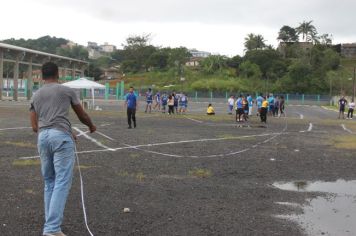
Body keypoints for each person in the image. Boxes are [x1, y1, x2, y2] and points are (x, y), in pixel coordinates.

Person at [29, 62, 96, 236]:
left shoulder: (36, 95)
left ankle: (51, 225)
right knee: (61, 181)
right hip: (60, 138)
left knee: (49, 181)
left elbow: (34, 125)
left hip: (42, 137)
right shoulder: (66, 91)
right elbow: (82, 114)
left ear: (42, 76)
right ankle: (51, 228)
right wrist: (91, 126)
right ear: (58, 74)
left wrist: (64, 131)